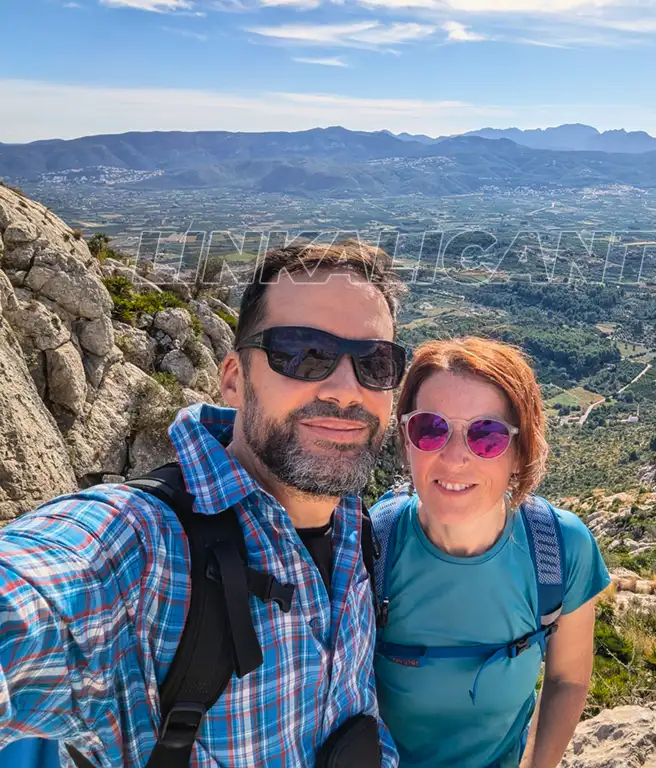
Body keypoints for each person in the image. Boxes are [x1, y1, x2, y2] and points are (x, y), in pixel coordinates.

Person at [0, 242, 405, 767]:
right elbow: (32, 593)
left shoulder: (357, 528)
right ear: (234, 378)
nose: (347, 389)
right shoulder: (140, 549)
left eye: (375, 363)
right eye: (304, 352)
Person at [370, 337, 611, 768]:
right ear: (406, 440)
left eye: (486, 436)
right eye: (430, 428)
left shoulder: (558, 550)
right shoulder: (372, 546)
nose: (455, 457)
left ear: (520, 454)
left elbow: (568, 679)